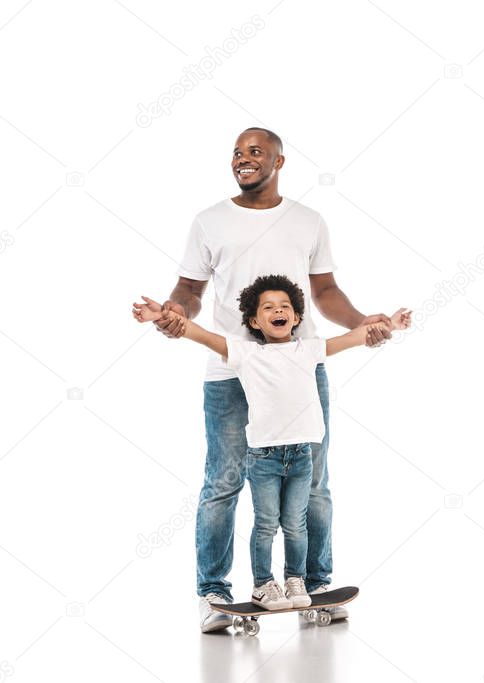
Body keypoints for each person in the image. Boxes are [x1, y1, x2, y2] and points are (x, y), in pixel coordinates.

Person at [145, 127, 399, 631]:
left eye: (255, 151)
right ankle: (213, 593)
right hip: (230, 374)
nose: (243, 158)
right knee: (223, 481)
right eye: (236, 152)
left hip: (300, 371)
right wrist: (177, 311)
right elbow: (190, 288)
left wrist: (361, 324)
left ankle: (316, 585)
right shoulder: (209, 221)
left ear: (279, 161)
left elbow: (324, 290)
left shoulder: (307, 221)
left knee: (315, 481)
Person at [132, 275, 410, 610]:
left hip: (301, 455)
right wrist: (162, 316)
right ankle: (263, 584)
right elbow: (201, 334)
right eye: (268, 308)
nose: (278, 311)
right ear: (253, 320)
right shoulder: (244, 353)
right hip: (262, 458)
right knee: (266, 524)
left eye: (285, 307)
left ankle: (296, 579)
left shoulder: (309, 349)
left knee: (295, 524)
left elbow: (354, 337)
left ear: (296, 318)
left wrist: (390, 324)